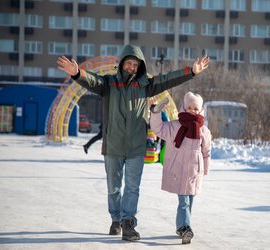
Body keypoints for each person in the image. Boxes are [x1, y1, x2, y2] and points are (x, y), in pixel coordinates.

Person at [57, 44, 210, 241]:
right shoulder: (109, 84)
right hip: (113, 144)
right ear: (122, 64)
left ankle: (128, 222)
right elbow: (92, 80)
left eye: (136, 64)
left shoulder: (145, 84)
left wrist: (191, 72)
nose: (132, 67)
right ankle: (116, 219)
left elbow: (168, 79)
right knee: (113, 187)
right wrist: (77, 73)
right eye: (129, 63)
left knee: (132, 187)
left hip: (136, 146)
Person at [149, 92, 211, 245]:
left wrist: (205, 170)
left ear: (200, 109)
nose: (192, 111)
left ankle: (181, 227)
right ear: (184, 107)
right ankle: (185, 227)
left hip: (194, 172)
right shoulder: (175, 126)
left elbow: (206, 152)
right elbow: (158, 129)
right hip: (178, 169)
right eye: (189, 107)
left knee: (189, 201)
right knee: (184, 201)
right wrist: (156, 113)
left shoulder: (204, 131)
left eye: (195, 108)